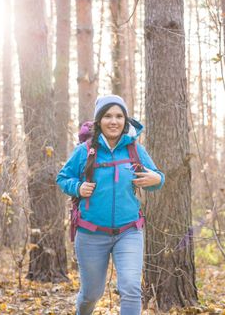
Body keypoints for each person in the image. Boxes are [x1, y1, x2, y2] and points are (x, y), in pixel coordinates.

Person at [57, 95, 165, 315]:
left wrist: (158, 180)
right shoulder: (85, 151)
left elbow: (155, 179)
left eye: (119, 116)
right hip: (91, 234)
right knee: (91, 294)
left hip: (129, 232)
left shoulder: (135, 150)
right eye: (107, 116)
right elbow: (62, 178)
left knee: (131, 289)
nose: (113, 121)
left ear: (126, 120)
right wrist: (77, 187)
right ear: (99, 121)